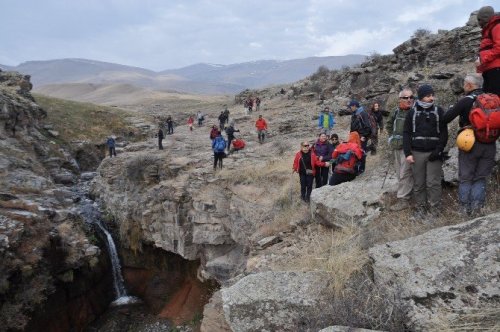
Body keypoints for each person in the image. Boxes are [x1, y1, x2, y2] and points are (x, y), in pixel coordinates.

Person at [443, 74, 496, 216]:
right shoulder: (493, 99)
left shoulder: (466, 100)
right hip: (490, 143)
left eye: (465, 84)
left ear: (470, 85)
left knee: (466, 177)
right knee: (480, 177)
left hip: (469, 142)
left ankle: (464, 211)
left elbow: (446, 118)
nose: (463, 87)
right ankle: (478, 209)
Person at [403, 84, 448, 215]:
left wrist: (439, 150)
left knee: (433, 183)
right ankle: (420, 209)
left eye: (432, 95)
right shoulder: (412, 112)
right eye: (428, 96)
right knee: (419, 183)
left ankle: (435, 210)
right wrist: (408, 153)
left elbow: (444, 133)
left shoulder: (439, 111)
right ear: (421, 97)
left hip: (434, 153)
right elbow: (406, 133)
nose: (431, 98)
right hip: (416, 153)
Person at [387, 88, 415, 211]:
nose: (409, 100)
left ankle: (403, 199)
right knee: (399, 173)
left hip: (408, 148)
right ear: (400, 99)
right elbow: (389, 125)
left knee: (405, 173)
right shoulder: (395, 112)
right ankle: (407, 194)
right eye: (406, 97)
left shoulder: (415, 112)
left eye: (411, 97)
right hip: (396, 147)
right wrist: (391, 138)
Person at [476, 6, 500, 95]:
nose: (479, 23)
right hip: (489, 70)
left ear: (486, 18)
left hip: (496, 70)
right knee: (489, 99)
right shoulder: (487, 30)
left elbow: (499, 48)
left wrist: (483, 59)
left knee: (495, 98)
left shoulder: (496, 27)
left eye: (479, 19)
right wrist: (479, 69)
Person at [349, 100, 372, 173]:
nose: (350, 108)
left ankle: (361, 169)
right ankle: (356, 169)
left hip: (361, 137)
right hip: (355, 137)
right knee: (355, 152)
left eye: (351, 106)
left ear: (355, 106)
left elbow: (368, 127)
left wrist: (364, 136)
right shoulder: (354, 114)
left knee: (361, 152)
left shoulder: (362, 114)